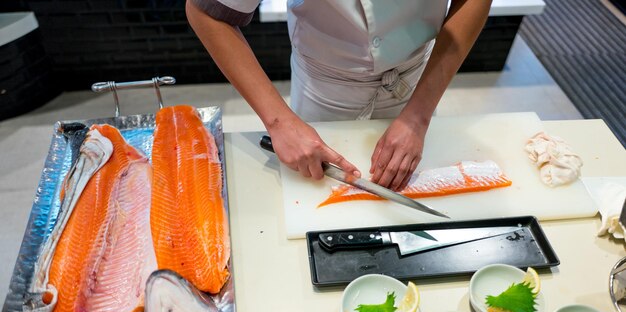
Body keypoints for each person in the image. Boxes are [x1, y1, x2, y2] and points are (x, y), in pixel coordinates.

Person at [186, 0, 492, 191]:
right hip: (325, 89)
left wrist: (417, 118)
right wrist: (280, 122)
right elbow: (207, 13)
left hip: (419, 81)